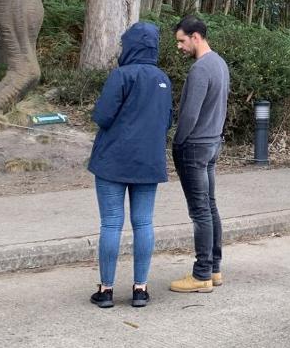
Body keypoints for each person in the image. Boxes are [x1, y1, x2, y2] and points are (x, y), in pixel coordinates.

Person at [87, 21, 172, 309]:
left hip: (113, 160)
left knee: (111, 222)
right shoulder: (163, 79)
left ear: (132, 45)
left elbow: (103, 116)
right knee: (144, 222)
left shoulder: (121, 75)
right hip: (149, 161)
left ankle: (106, 289)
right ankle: (140, 288)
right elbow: (167, 121)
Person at [170, 16, 231, 294]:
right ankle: (214, 269)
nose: (179, 47)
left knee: (200, 213)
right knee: (210, 207)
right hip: (212, 143)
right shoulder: (219, 63)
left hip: (195, 147)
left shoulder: (200, 69)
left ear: (196, 37)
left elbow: (190, 114)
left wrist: (177, 142)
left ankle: (201, 274)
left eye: (182, 40)